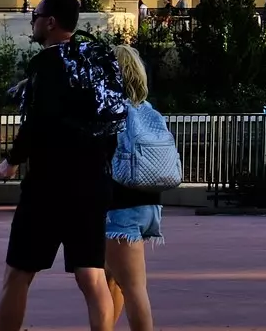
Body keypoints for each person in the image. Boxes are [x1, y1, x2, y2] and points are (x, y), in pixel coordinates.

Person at [0, 0, 128, 331]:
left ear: (50, 22)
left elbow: (37, 120)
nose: (33, 23)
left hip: (50, 184)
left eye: (35, 17)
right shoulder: (100, 57)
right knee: (91, 273)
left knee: (18, 273)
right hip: (93, 180)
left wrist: (12, 161)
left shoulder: (46, 62)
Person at [106, 45, 167, 331]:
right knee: (114, 283)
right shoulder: (148, 111)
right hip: (148, 204)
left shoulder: (112, 113)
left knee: (132, 288)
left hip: (119, 208)